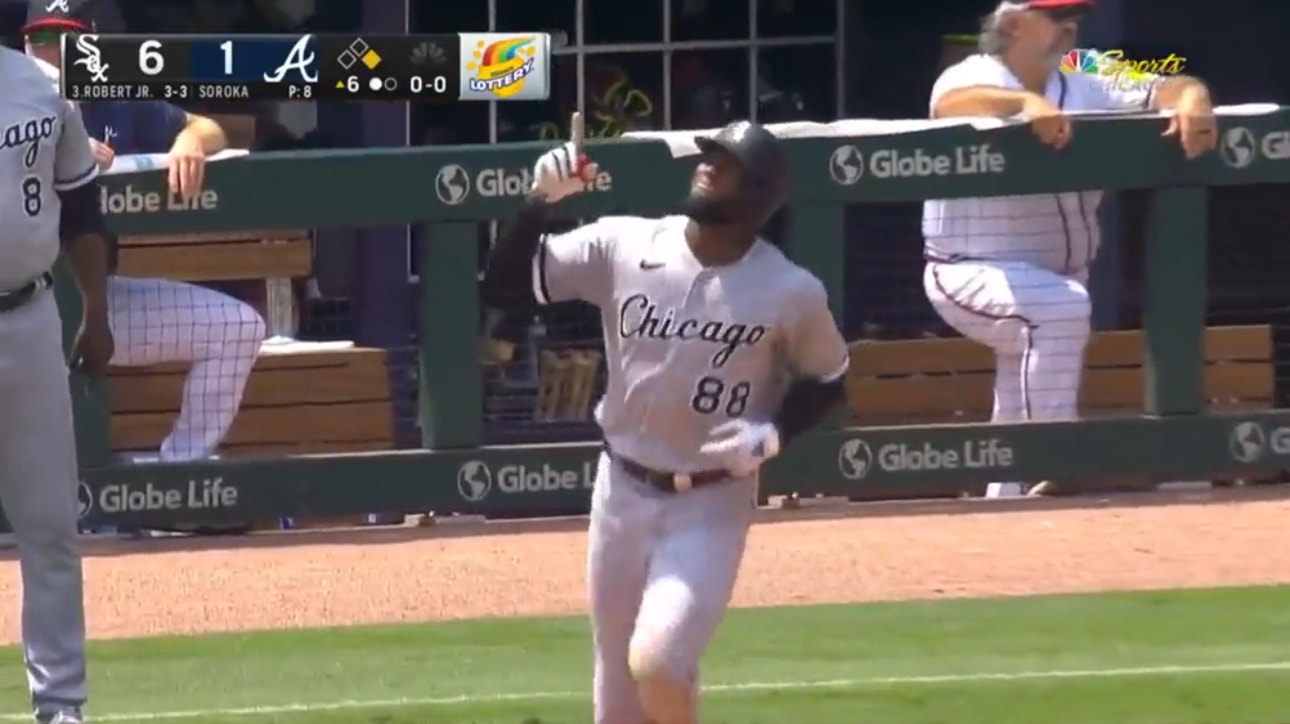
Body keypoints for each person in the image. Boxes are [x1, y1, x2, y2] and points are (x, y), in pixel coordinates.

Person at [481, 116, 849, 724]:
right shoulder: (626, 242)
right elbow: (505, 285)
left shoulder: (790, 289)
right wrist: (537, 205)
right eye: (709, 155)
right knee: (617, 690)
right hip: (621, 489)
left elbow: (831, 380)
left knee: (658, 660)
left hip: (711, 500)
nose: (708, 166)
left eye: (727, 164)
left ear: (757, 195)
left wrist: (773, 434)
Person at [922, 0, 1217, 497]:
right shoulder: (973, 71)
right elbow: (951, 103)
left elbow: (1168, 83)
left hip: (1054, 273)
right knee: (1058, 311)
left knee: (1023, 388)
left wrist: (1192, 98)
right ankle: (1055, 462)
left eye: (1075, 16)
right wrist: (1022, 104)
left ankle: (1009, 509)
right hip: (968, 270)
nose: (1071, 28)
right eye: (1057, 18)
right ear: (1013, 25)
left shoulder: (1085, 67)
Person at [24, 0, 267, 464]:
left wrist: (191, 141)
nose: (51, 52)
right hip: (15, 308)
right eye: (41, 39)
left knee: (236, 327)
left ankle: (179, 478)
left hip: (94, 300)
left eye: (65, 39)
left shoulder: (116, 101)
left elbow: (206, 126)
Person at [0, 39, 111, 724]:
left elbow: (82, 211)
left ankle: (61, 705)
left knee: (49, 525)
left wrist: (96, 312)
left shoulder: (41, 85)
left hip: (30, 317)